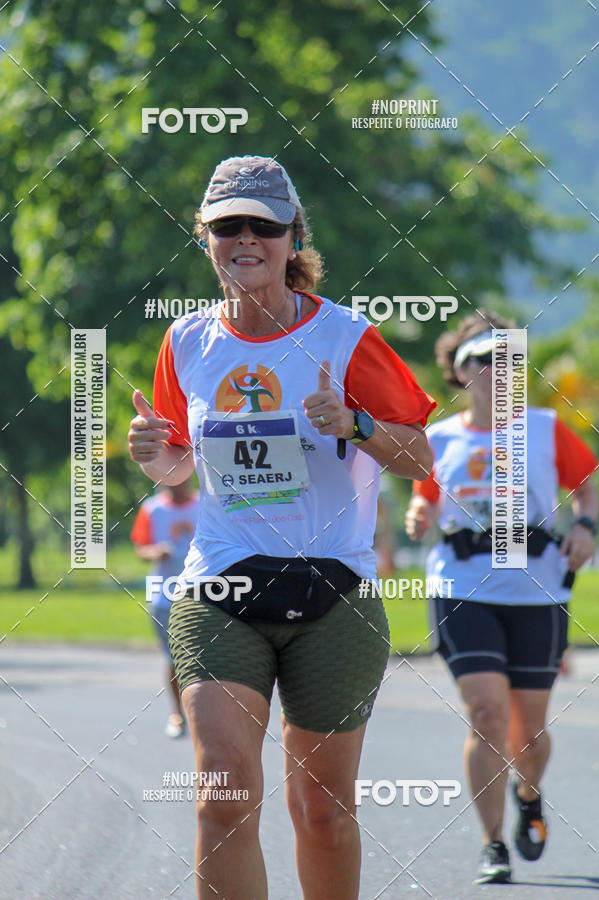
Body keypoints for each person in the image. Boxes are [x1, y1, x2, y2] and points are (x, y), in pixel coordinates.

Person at [128, 154, 436, 899]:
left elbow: (420, 452)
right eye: (226, 225)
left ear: (292, 238)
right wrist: (155, 457)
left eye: (262, 226)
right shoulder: (187, 343)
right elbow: (178, 465)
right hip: (220, 584)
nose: (245, 239)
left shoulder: (347, 338)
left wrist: (357, 424)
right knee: (223, 795)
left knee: (322, 810)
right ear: (204, 238)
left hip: (334, 591)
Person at [405, 310, 598, 885]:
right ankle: (492, 844)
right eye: (481, 359)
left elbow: (587, 491)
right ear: (458, 371)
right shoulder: (437, 438)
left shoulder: (543, 428)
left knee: (528, 730)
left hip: (536, 588)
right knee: (486, 714)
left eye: (506, 358)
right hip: (463, 588)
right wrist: (420, 513)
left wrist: (587, 527)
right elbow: (426, 501)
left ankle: (529, 793)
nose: (494, 369)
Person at [131, 479, 200, 737]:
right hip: (164, 594)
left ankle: (204, 716)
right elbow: (140, 548)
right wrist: (155, 552)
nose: (176, 485)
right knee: (174, 658)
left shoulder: (205, 503)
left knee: (206, 658)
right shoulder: (152, 509)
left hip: (204, 592)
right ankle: (177, 713)